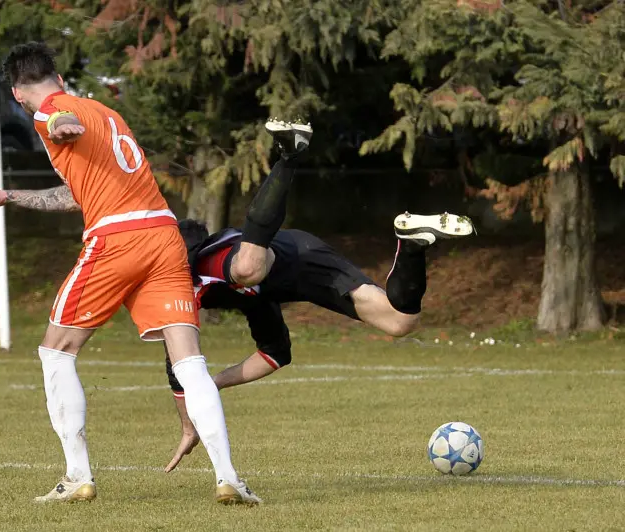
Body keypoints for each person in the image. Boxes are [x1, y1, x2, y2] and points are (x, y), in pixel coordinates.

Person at [0, 42, 260, 505]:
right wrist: (9, 195)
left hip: (118, 239)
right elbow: (78, 194)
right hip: (165, 234)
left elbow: (58, 122)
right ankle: (229, 479)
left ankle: (77, 476)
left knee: (56, 350)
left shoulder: (53, 111)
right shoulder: (107, 113)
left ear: (18, 93)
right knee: (189, 360)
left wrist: (59, 124)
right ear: (57, 75)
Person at [163, 124, 475, 472]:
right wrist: (213, 385)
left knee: (248, 267)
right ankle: (412, 244)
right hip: (304, 266)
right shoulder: (243, 300)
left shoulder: (203, 262)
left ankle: (290, 153)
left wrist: (192, 414)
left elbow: (179, 360)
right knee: (400, 321)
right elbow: (273, 355)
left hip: (283, 251)